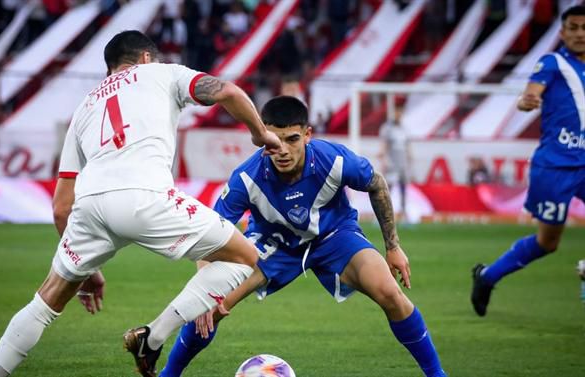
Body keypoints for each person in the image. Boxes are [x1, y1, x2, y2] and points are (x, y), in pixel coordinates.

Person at [0, 30, 281, 377]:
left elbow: (61, 207)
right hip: (145, 196)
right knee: (246, 259)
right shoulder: (162, 72)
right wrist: (260, 133)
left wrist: (88, 270)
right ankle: (153, 337)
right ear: (145, 58)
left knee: (44, 303)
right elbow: (228, 91)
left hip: (90, 206)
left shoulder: (84, 107)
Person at [160, 96, 447, 377]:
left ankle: (437, 374)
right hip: (272, 245)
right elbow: (212, 234)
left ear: (307, 134)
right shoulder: (245, 179)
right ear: (261, 138)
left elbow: (377, 184)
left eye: (292, 139)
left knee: (389, 291)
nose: (282, 149)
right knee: (212, 309)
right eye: (274, 140)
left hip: (334, 236)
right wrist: (206, 292)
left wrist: (393, 247)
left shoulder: (333, 159)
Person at [471, 5, 585, 317]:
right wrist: (527, 100)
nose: (579, 33)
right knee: (548, 242)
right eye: (572, 27)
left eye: (583, 27)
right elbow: (528, 95)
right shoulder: (552, 63)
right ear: (562, 33)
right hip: (555, 166)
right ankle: (487, 277)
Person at [378, 104, 411, 215]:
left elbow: (407, 146)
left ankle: (404, 212)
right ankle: (384, 213)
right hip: (391, 164)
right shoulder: (388, 128)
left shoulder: (404, 129)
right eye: (397, 112)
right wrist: (383, 161)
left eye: (400, 112)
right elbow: (384, 145)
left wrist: (409, 160)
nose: (398, 115)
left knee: (403, 189)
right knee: (388, 189)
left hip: (402, 164)